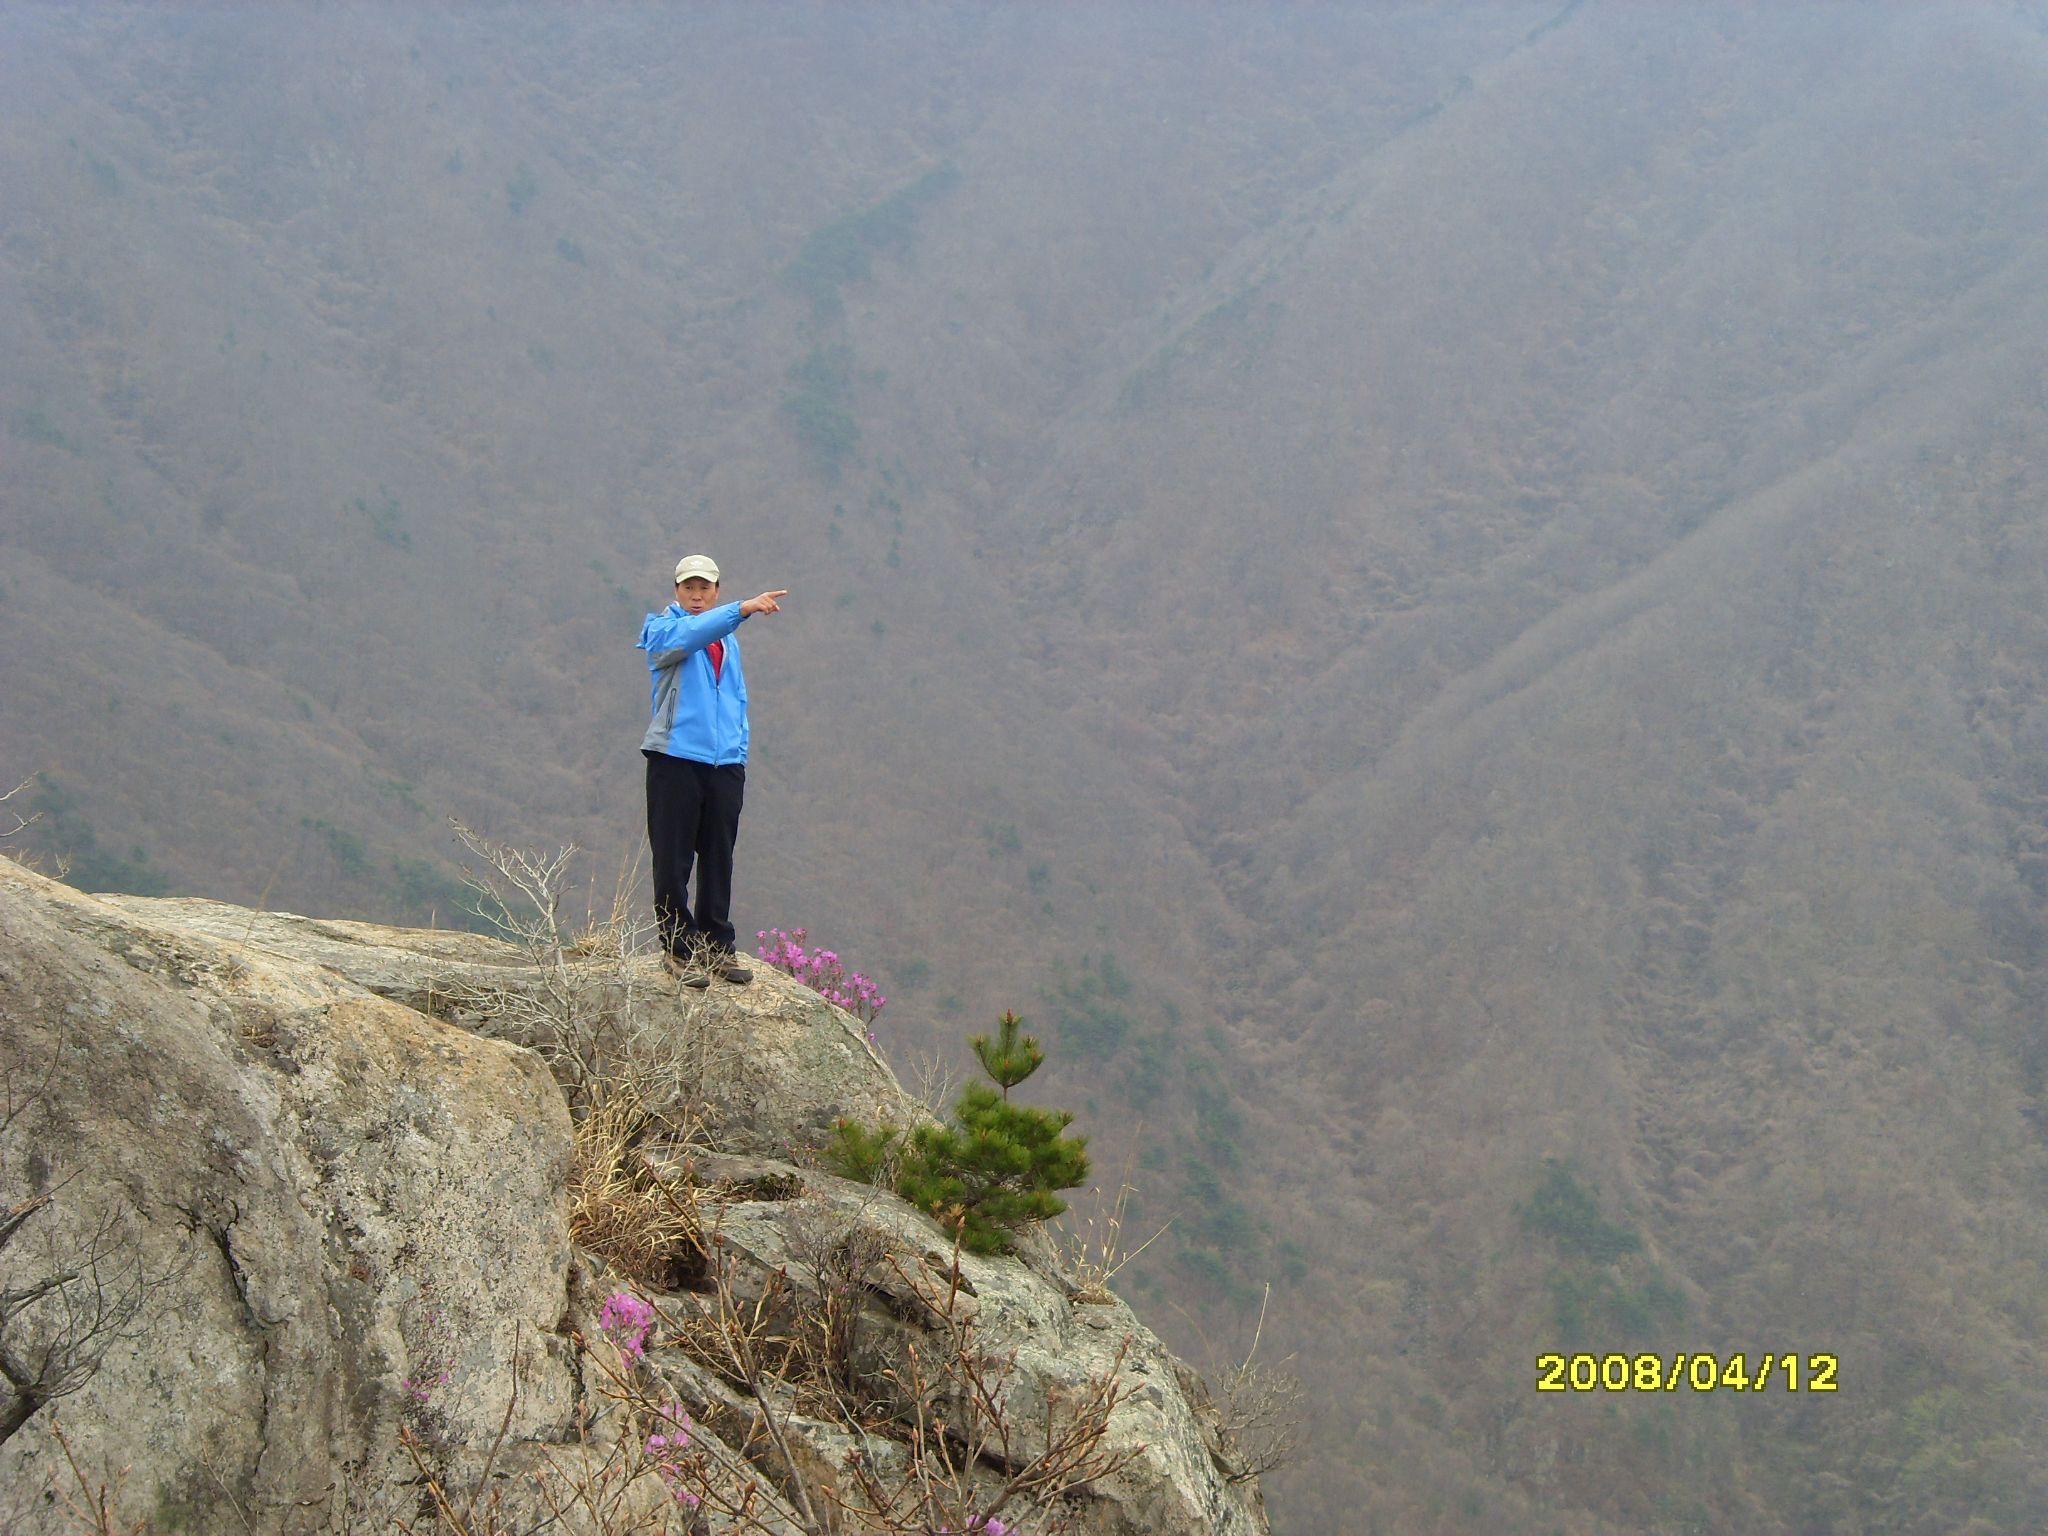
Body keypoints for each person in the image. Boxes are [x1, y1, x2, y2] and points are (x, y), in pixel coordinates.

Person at [638, 554, 787, 987]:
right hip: (676, 758)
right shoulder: (663, 630)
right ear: (677, 591)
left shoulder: (728, 640)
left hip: (724, 764)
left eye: (705, 588)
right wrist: (740, 610)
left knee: (719, 857)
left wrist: (738, 752)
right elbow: (691, 634)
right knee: (674, 856)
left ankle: (716, 946)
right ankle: (676, 947)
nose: (697, 595)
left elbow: (736, 698)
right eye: (689, 588)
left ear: (716, 590)